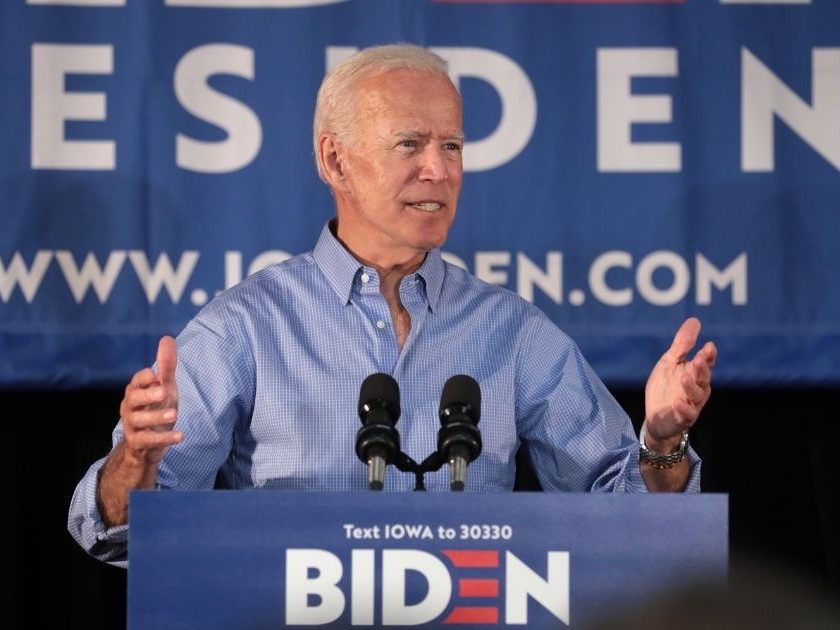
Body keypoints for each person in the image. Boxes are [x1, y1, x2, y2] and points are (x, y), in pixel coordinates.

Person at [68, 43, 717, 568]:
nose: (438, 169)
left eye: (453, 146)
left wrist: (662, 444)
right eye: (410, 144)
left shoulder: (512, 331)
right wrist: (135, 465)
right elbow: (116, 533)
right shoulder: (246, 328)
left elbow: (633, 524)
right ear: (336, 160)